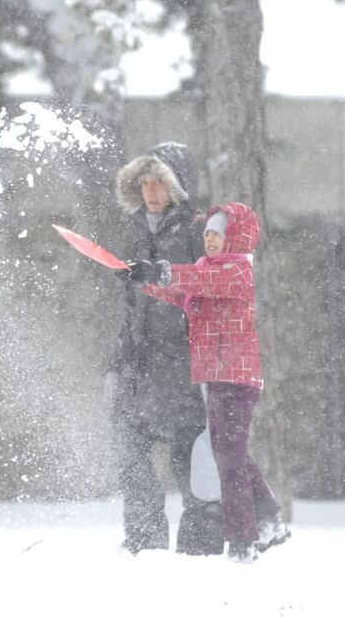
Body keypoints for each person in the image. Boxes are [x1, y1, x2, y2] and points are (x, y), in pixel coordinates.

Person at [124, 202, 290, 563]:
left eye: (217, 233)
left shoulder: (236, 270)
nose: (210, 240)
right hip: (214, 377)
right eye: (207, 234)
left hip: (237, 377)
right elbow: (184, 294)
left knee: (228, 459)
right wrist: (146, 280)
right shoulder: (205, 269)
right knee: (229, 455)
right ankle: (269, 522)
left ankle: (244, 540)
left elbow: (198, 281)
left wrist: (163, 270)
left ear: (234, 236)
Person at [106, 142, 223, 556]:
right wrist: (117, 364)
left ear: (178, 186)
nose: (152, 191)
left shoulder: (199, 230)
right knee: (131, 456)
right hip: (139, 366)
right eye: (145, 182)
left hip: (186, 368)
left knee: (190, 462)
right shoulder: (135, 230)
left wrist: (167, 278)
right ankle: (143, 546)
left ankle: (201, 552)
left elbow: (213, 287)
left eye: (161, 182)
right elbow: (129, 308)